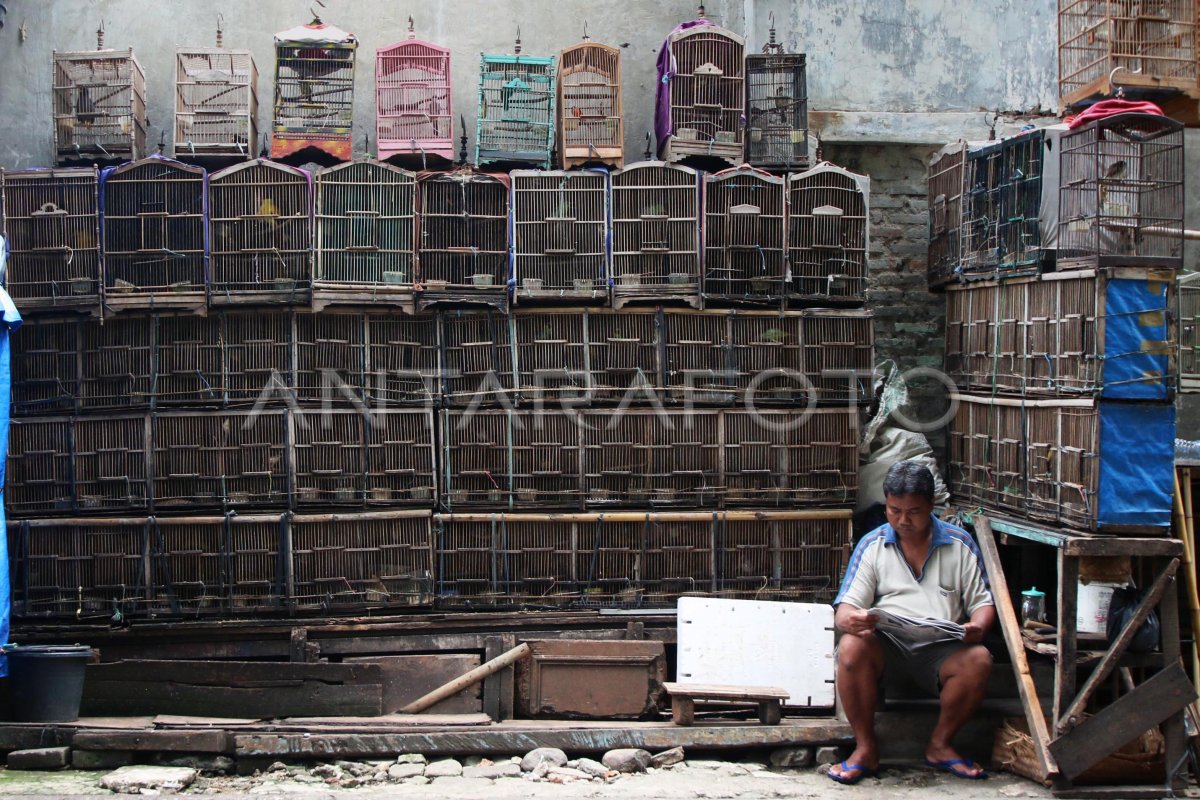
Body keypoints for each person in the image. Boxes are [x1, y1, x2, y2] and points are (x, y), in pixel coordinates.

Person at [828, 460, 996, 785]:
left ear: (932, 505)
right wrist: (854, 620)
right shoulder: (872, 545)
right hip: (888, 649)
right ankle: (865, 748)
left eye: (913, 511)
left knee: (979, 659)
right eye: (894, 510)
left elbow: (983, 604)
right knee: (850, 647)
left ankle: (941, 745)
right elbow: (844, 610)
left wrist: (977, 627)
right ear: (886, 504)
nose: (903, 520)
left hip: (942, 652)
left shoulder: (960, 545)